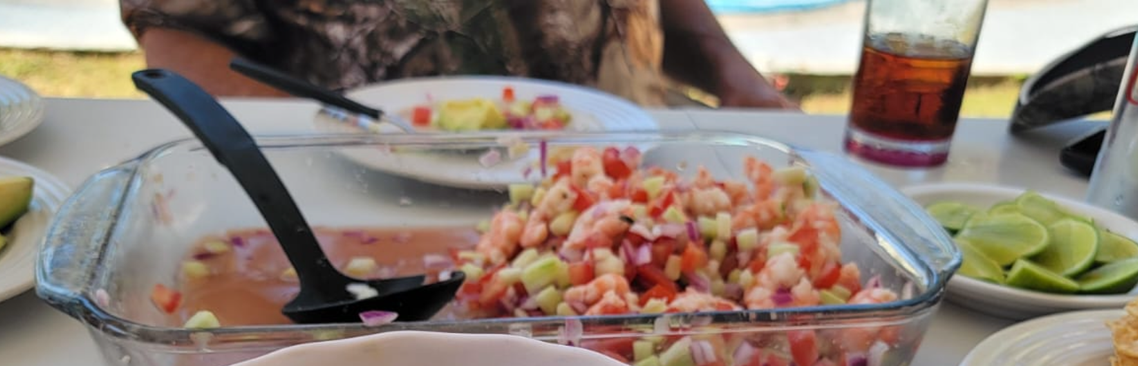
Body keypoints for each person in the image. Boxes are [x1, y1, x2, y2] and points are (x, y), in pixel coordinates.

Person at [119, 0, 795, 109]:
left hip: (627, 167)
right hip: (366, 197)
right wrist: (296, 146)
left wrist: (737, 78)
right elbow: (178, 28)